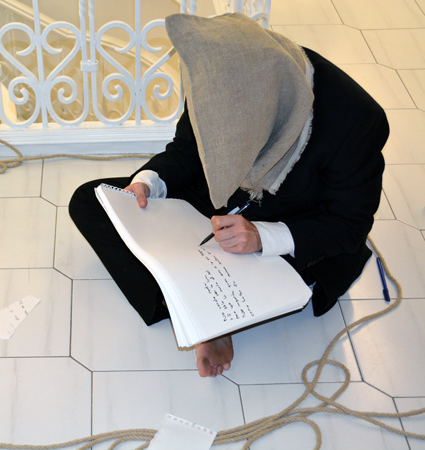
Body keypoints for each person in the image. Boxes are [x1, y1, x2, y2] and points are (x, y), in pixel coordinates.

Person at [68, 13, 389, 378]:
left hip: (295, 221)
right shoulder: (218, 73)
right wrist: (147, 183)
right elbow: (188, 150)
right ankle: (200, 314)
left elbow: (349, 223)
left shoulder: (357, 121)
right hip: (225, 195)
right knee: (90, 201)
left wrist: (261, 237)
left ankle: (208, 311)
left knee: (303, 266)